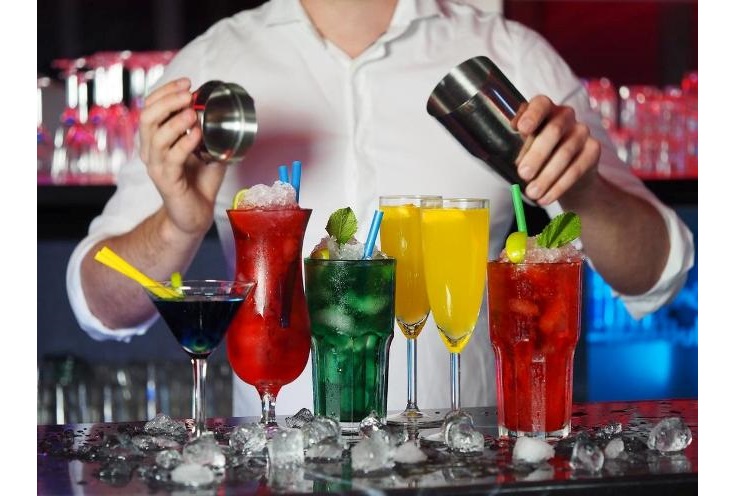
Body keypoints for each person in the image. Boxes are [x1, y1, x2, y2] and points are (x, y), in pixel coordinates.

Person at [66, 0, 694, 418]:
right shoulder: (213, 63)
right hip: (276, 464)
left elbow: (656, 273)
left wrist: (582, 190)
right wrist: (178, 223)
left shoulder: (509, 54)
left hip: (467, 466)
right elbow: (100, 303)